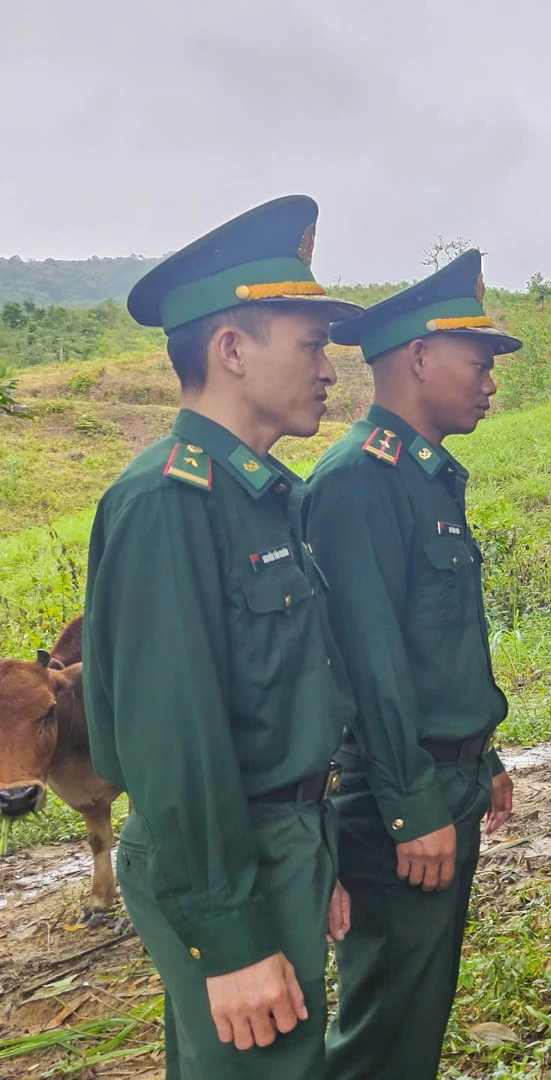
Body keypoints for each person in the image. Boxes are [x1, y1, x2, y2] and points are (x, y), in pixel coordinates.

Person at [83, 195, 361, 1079]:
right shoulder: (170, 501)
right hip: (220, 853)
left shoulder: (256, 492)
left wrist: (311, 862)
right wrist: (236, 937)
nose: (328, 369)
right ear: (232, 349)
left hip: (273, 842)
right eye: (310, 344)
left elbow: (278, 700)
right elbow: (173, 745)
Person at [300, 249, 518, 1078]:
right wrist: (410, 805)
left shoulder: (425, 477)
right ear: (420, 358)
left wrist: (483, 754)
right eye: (479, 361)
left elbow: (441, 645)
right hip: (404, 790)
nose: (491, 380)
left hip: (443, 777)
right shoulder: (359, 478)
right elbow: (370, 665)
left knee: (419, 1009)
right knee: (384, 1024)